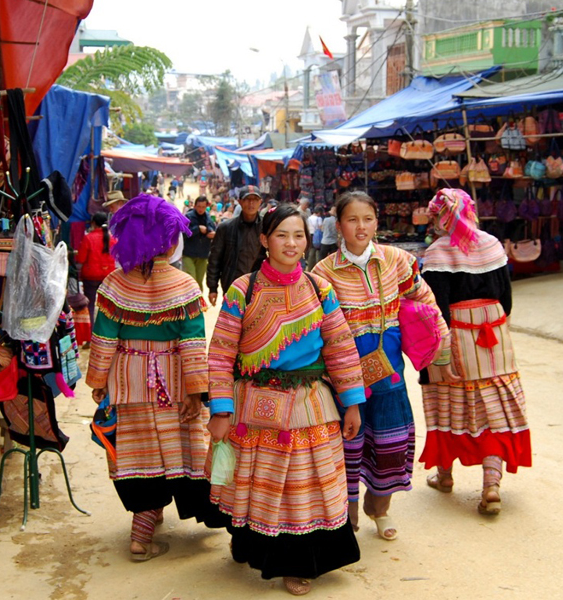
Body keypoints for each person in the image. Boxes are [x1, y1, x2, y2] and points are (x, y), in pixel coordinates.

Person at [207, 203, 364, 596]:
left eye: (298, 235)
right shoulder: (242, 290)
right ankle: (250, 544)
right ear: (264, 240)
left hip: (311, 406)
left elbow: (341, 347)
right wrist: (221, 409)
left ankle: (299, 563)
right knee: (257, 483)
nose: (291, 243)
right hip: (253, 406)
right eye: (281, 235)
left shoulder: (319, 288)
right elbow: (222, 353)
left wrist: (353, 402)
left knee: (304, 487)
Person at [86, 193, 226, 562]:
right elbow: (194, 342)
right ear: (168, 240)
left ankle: (142, 529)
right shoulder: (183, 285)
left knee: (138, 451)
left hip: (128, 379)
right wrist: (197, 392)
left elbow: (103, 339)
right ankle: (157, 521)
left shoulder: (114, 285)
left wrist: (99, 381)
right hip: (174, 379)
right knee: (179, 448)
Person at [311, 191, 450, 540]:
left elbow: (425, 301)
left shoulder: (397, 261)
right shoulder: (323, 272)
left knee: (389, 442)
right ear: (338, 224)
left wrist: (440, 350)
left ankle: (379, 509)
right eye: (352, 219)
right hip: (342, 376)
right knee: (346, 446)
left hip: (389, 372)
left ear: (377, 221)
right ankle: (348, 514)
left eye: (368, 219)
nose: (361, 226)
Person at [418, 188, 532, 516]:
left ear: (441, 216)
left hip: (454, 336)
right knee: (493, 408)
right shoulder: (492, 244)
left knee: (447, 403)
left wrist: (434, 354)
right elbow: (506, 301)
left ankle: (444, 476)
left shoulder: (438, 253)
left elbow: (433, 308)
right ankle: (491, 486)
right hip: (494, 335)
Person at [206, 185, 264, 306]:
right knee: (232, 322)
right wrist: (212, 288)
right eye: (247, 199)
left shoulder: (267, 228)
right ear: (240, 202)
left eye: (255, 199)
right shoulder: (226, 228)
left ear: (260, 202)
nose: (251, 203)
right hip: (232, 285)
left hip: (260, 286)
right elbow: (215, 259)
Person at [76, 213, 115, 325]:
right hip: (108, 276)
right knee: (108, 306)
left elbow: (81, 259)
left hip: (91, 276)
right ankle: (108, 329)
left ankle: (90, 332)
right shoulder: (112, 239)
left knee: (90, 305)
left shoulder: (88, 238)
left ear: (93, 223)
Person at [182, 196, 216, 290]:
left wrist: (211, 233)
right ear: (195, 206)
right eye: (199, 206)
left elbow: (212, 229)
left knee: (199, 281)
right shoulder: (188, 217)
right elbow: (183, 233)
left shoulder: (208, 217)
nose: (201, 209)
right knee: (191, 279)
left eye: (203, 207)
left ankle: (199, 302)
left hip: (203, 254)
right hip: (188, 254)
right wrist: (197, 229)